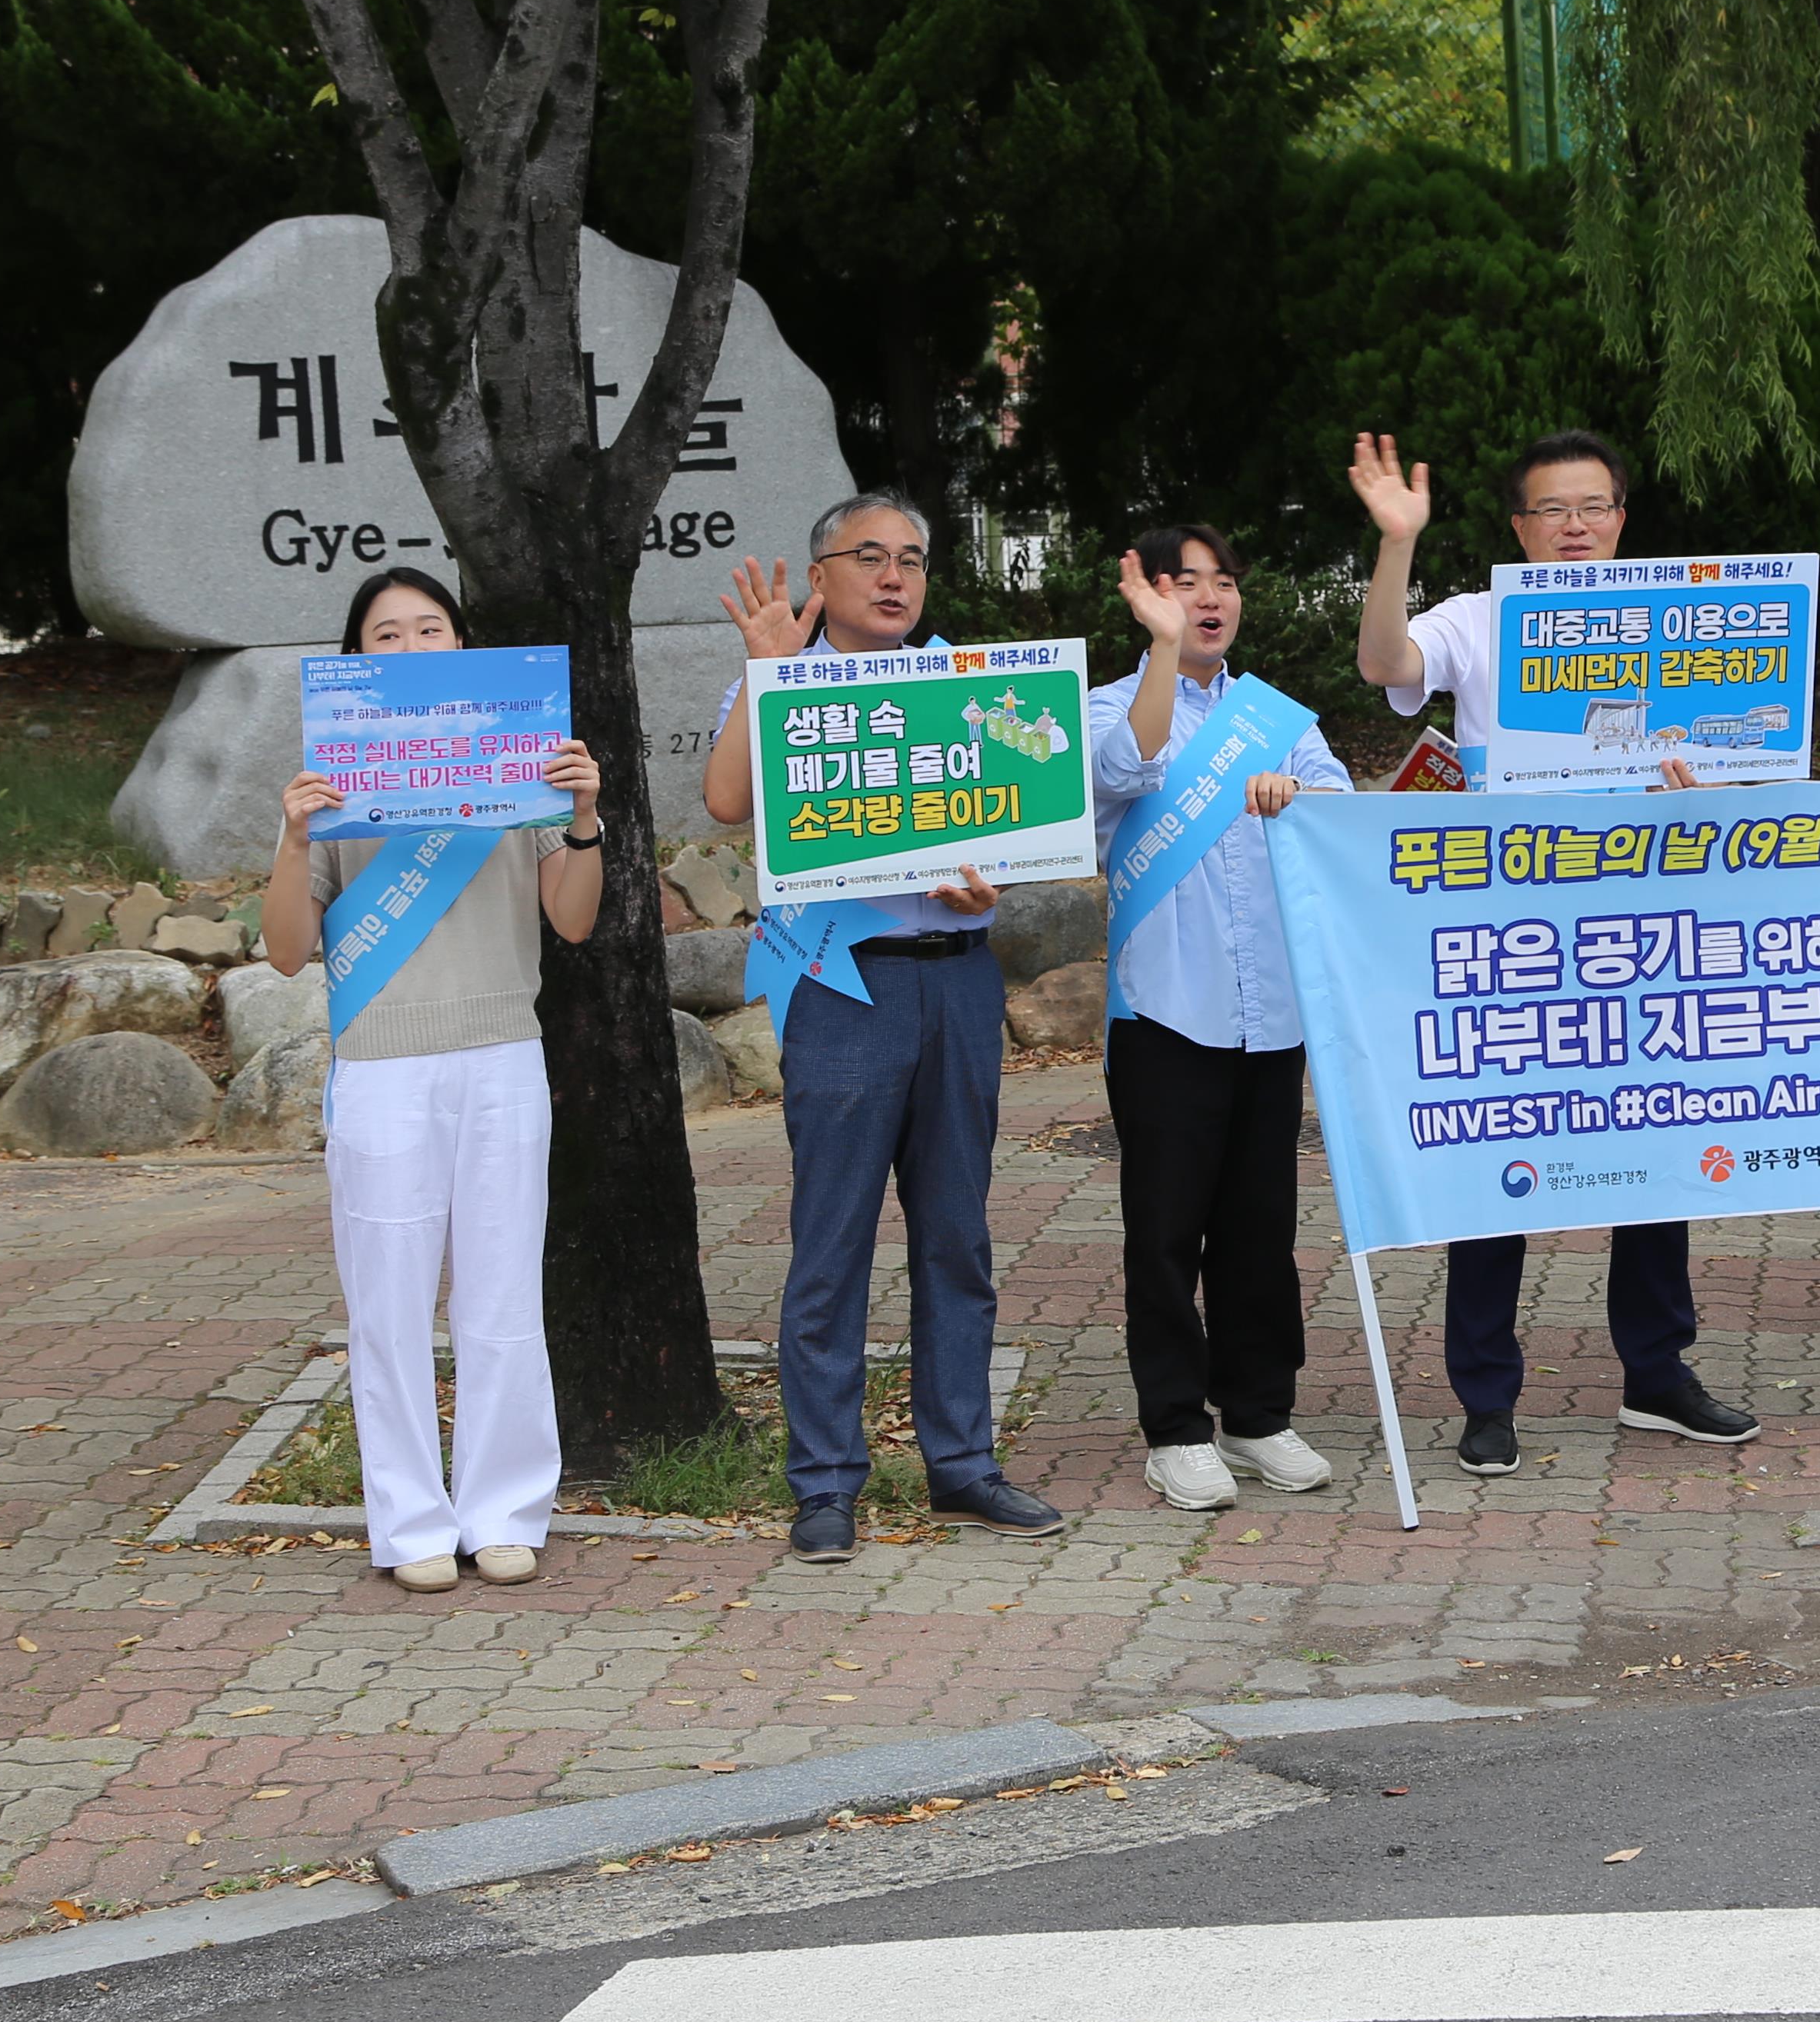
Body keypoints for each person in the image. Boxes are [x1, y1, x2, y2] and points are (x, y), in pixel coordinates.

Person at [1350, 427, 1764, 1474]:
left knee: (1658, 1148)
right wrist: (1398, 541)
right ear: (1519, 528)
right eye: (1551, 512)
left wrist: (1709, 784)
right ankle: (1487, 1397)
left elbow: (1738, 752)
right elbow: (1386, 663)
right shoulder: (1481, 624)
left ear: (1623, 517)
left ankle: (1657, 1375)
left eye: (1593, 507)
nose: (1574, 528)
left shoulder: (1687, 624)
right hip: (1517, 939)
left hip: (1649, 929)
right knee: (1502, 1159)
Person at [704, 491, 1065, 1558]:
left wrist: (986, 884)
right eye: (870, 557)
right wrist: (768, 671)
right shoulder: (789, 682)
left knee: (957, 1237)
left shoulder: (972, 685)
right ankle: (824, 1482)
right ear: (824, 579)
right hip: (842, 987)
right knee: (834, 1244)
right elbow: (727, 799)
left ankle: (964, 1463)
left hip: (956, 980)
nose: (895, 576)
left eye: (911, 557)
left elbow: (1027, 813)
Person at [257, 565, 605, 1593]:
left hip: (502, 1052)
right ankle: (409, 1524)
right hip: (381, 1065)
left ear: (464, 648)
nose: (411, 648)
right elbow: (284, 951)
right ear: (356, 661)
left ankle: (504, 1511)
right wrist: (292, 837)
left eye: (430, 628)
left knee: (501, 1298)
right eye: (386, 635)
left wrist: (582, 815)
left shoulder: (521, 758)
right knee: (390, 1306)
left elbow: (574, 918)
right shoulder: (335, 780)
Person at [1090, 523, 1354, 1511]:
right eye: (1184, 584)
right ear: (1149, 598)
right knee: (1164, 1228)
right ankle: (1173, 1427)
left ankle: (1257, 1414)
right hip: (1166, 1010)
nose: (1209, 599)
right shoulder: (1109, 703)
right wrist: (1161, 650)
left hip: (1271, 1012)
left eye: (1224, 583)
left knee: (1258, 1224)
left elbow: (1339, 805)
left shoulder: (1275, 716)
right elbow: (1123, 769)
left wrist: (1303, 795)